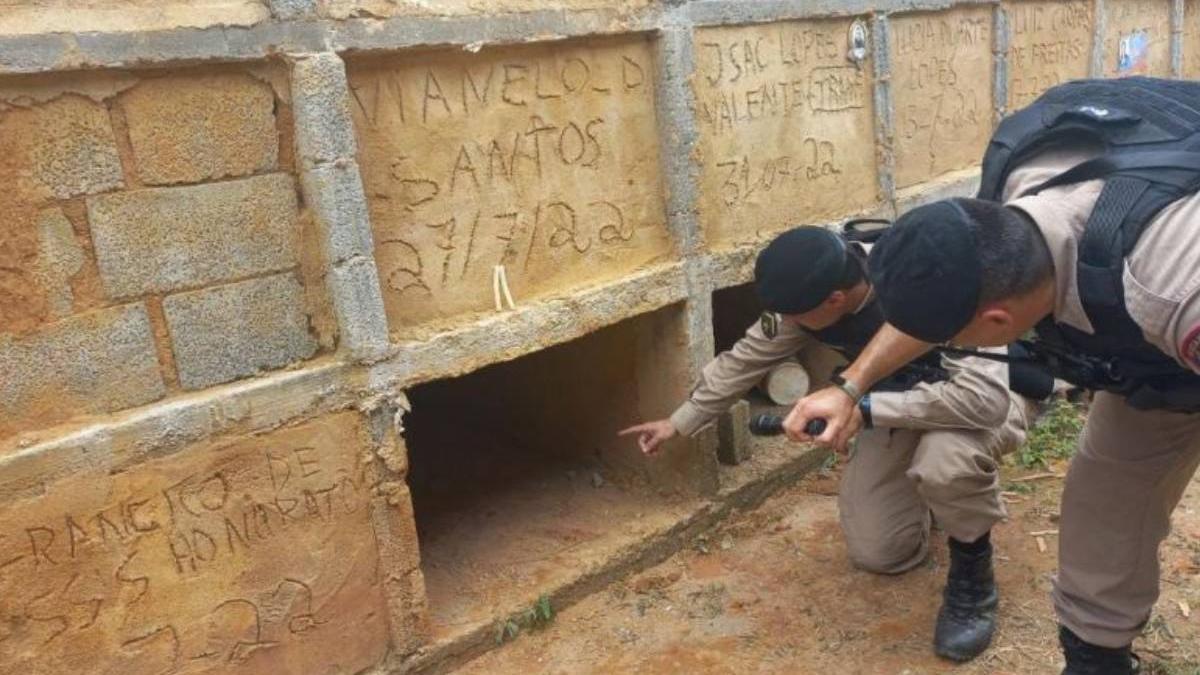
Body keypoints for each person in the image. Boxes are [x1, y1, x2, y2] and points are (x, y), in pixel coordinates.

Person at [785, 78, 1200, 675]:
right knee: (1103, 508)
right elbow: (951, 297)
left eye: (955, 338)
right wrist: (852, 387)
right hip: (1153, 354)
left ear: (998, 320)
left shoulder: (1168, 286)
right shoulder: (1010, 203)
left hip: (1174, 293)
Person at [620, 226, 1034, 662]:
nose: (789, 324)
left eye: (796, 316)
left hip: (983, 401)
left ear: (836, 300)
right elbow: (746, 359)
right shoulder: (815, 290)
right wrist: (679, 421)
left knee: (944, 463)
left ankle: (973, 578)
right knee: (880, 551)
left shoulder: (932, 282)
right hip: (897, 404)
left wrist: (865, 409)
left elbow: (983, 402)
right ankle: (930, 498)